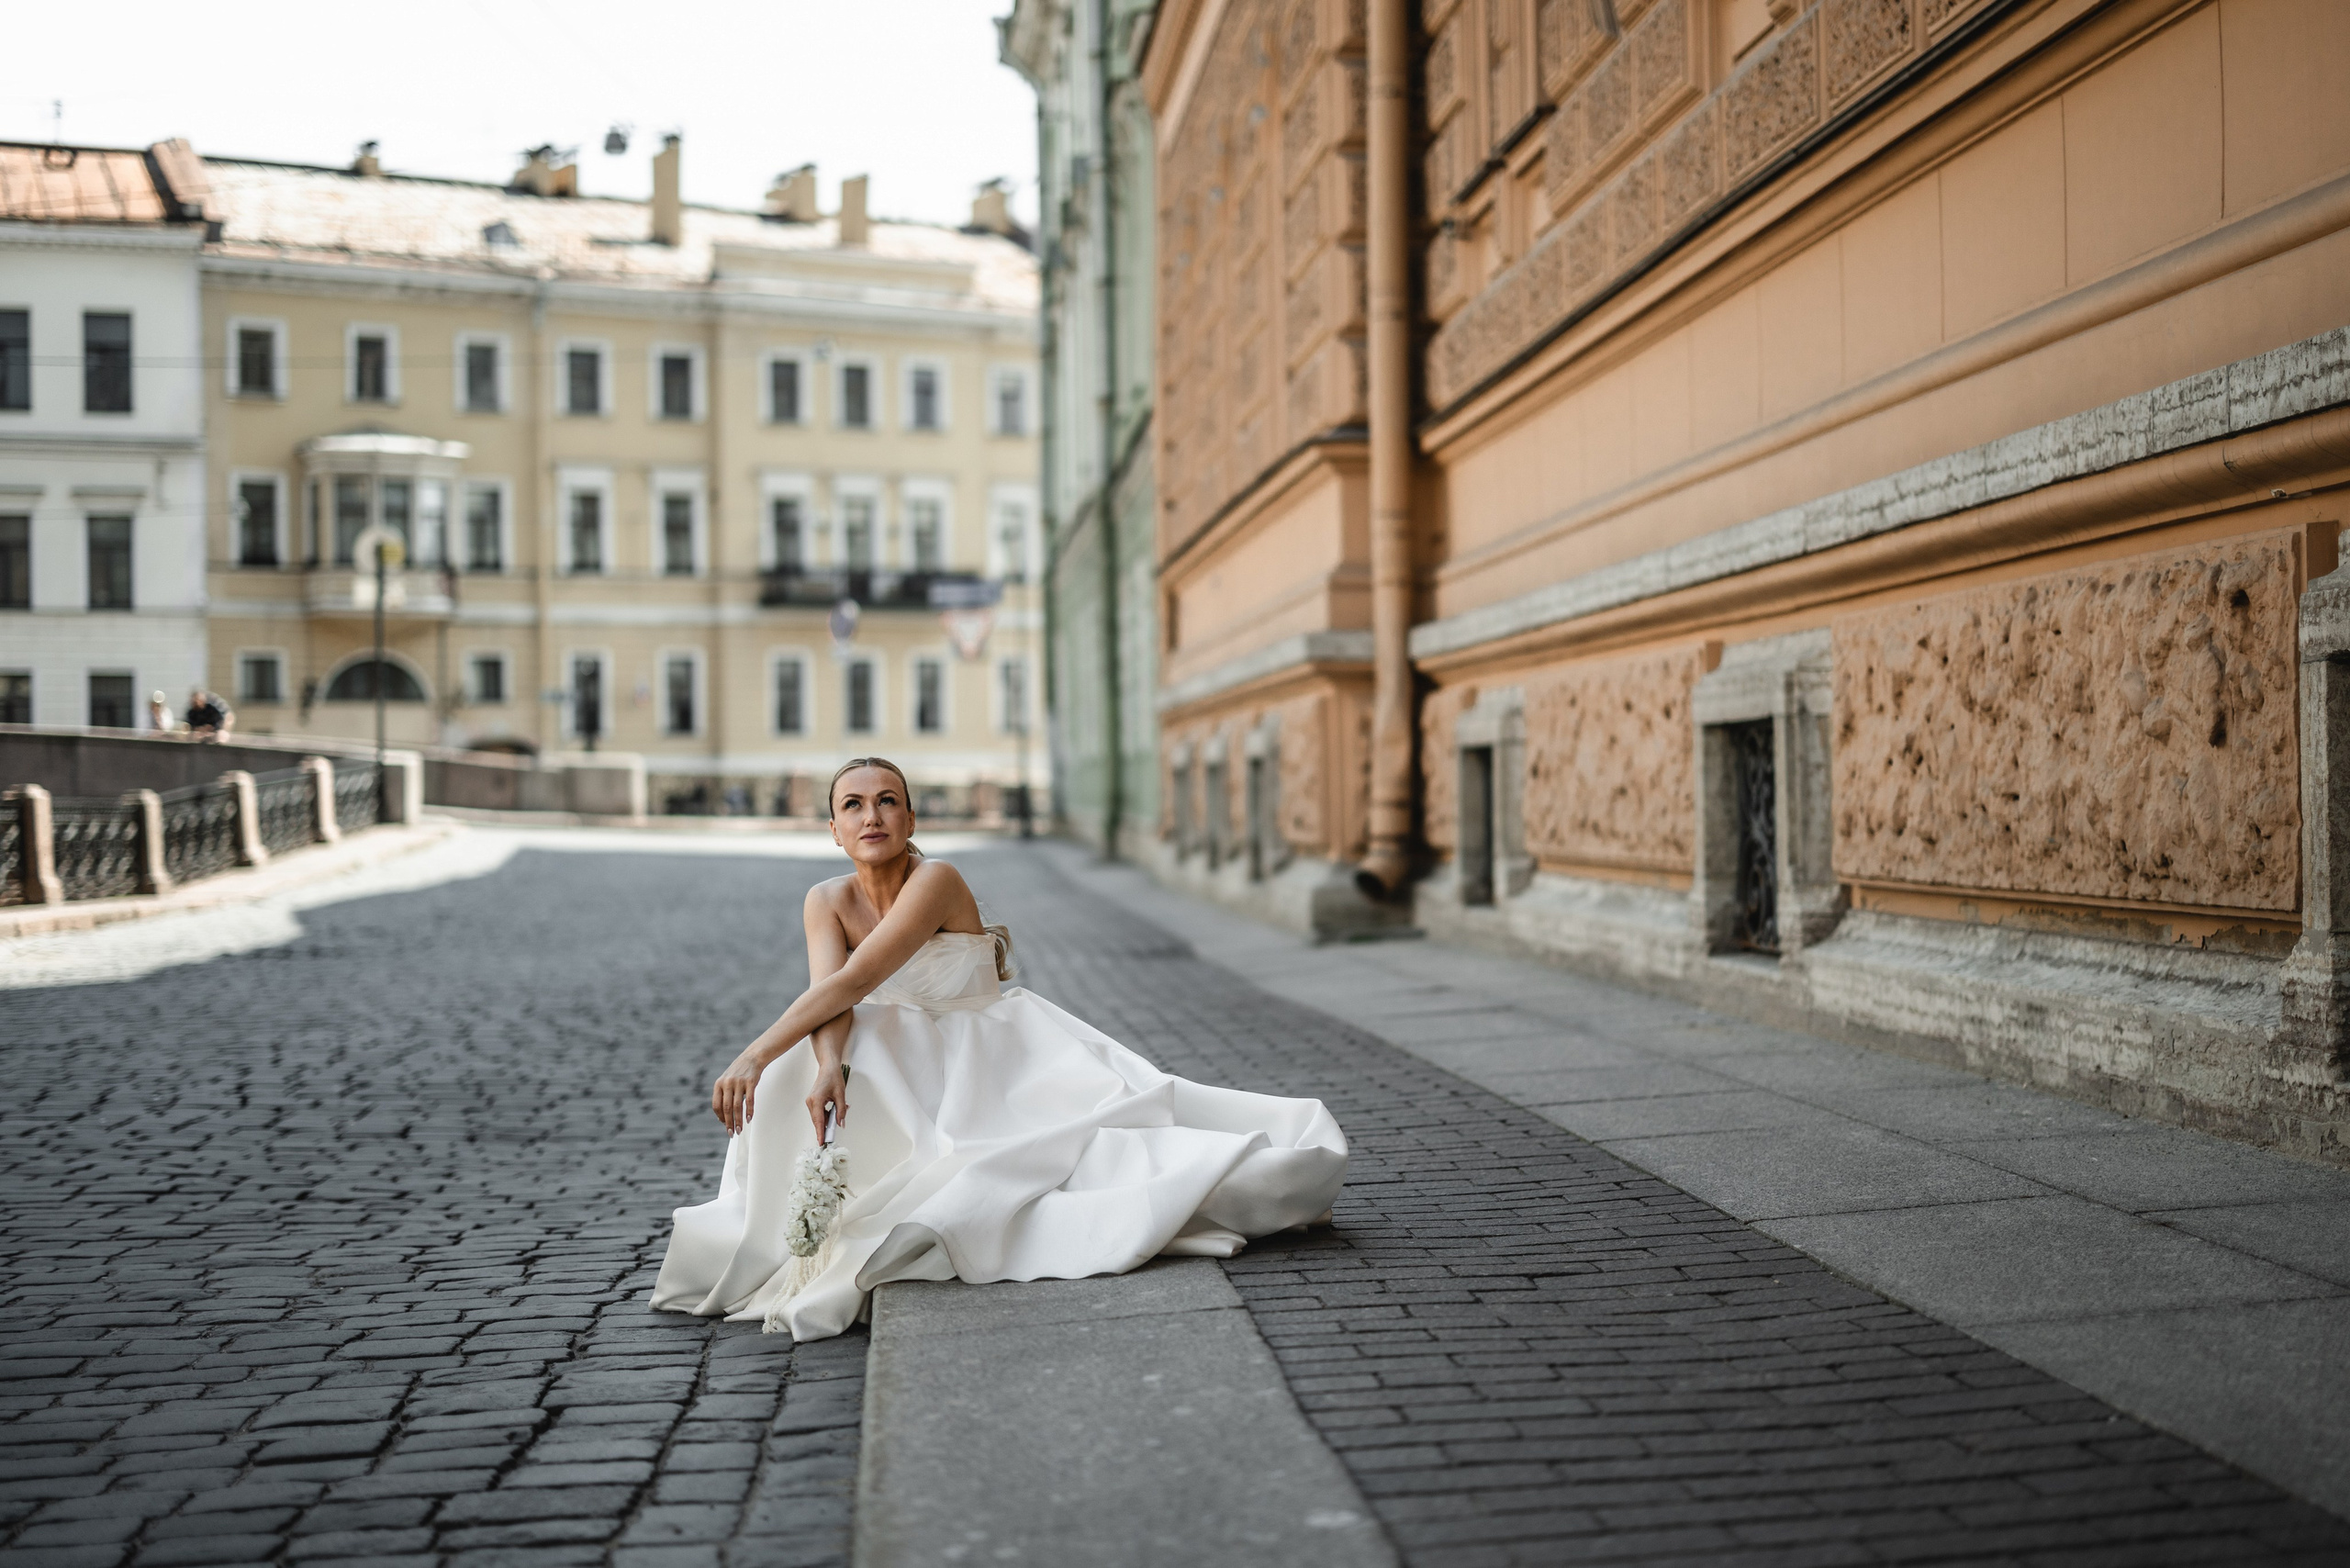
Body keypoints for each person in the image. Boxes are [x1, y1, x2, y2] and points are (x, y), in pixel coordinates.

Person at [651, 756, 1348, 1341]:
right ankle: (797, 1233)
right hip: (899, 1046)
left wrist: (752, 1054)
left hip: (983, 1049)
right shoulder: (825, 897)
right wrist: (827, 1064)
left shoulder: (937, 880)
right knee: (806, 1071)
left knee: (1077, 1158)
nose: (873, 816)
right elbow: (832, 994)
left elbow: (862, 978)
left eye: (889, 801)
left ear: (911, 819)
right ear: (833, 829)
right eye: (854, 806)